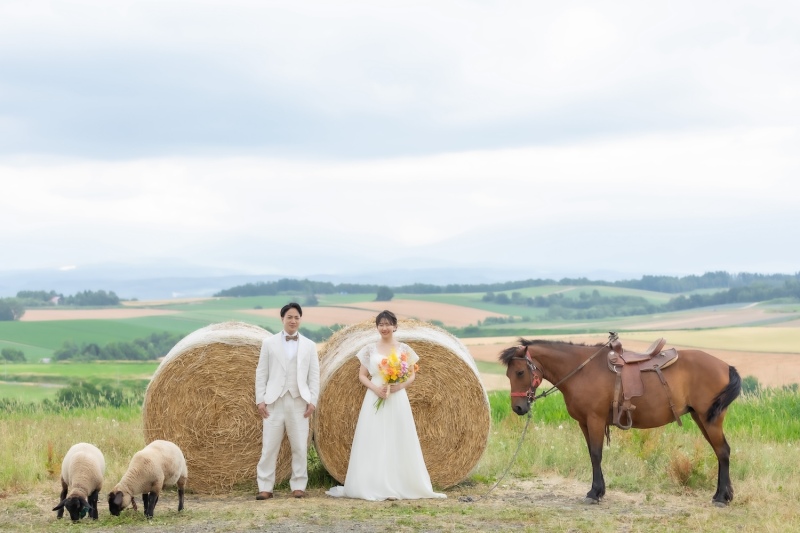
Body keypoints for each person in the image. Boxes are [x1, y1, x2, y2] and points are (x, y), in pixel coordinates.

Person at [326, 310, 446, 501]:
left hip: (397, 398)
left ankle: (399, 483)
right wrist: (376, 389)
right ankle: (375, 484)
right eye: (380, 324)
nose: (384, 328)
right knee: (374, 437)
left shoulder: (404, 349)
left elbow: (412, 374)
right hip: (374, 396)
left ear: (395, 326)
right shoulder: (369, 350)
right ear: (377, 327)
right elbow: (362, 376)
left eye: (387, 324)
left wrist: (399, 386)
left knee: (397, 436)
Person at [255, 302, 320, 500]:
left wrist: (313, 401)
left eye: (296, 317)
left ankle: (298, 485)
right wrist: (260, 400)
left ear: (300, 319)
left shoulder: (310, 345)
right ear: (282, 319)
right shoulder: (269, 343)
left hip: (300, 401)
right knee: (269, 447)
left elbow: (314, 376)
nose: (293, 320)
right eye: (289, 317)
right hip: (274, 401)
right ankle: (265, 487)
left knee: (300, 446)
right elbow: (261, 373)